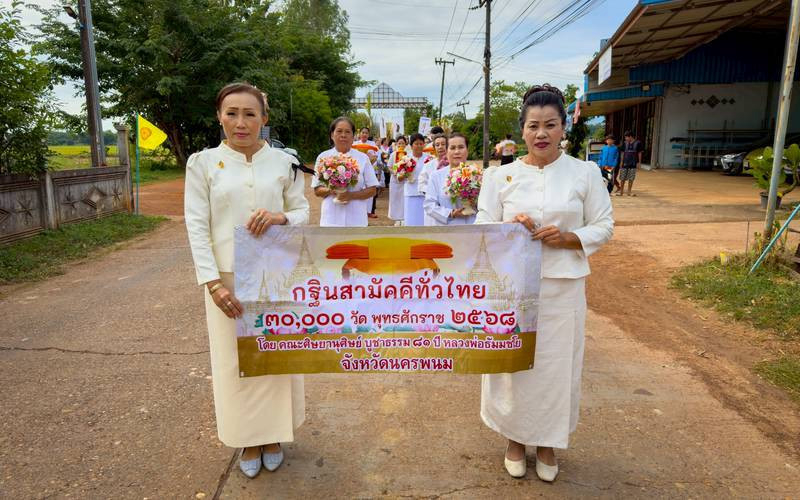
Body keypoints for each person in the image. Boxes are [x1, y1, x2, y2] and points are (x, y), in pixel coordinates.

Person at [475, 84, 613, 483]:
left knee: (555, 365)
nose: (541, 134)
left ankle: (548, 443)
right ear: (521, 130)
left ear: (563, 127)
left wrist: (568, 237)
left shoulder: (584, 173)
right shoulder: (499, 177)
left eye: (550, 125)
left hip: (562, 287)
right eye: (533, 125)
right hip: (512, 289)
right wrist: (508, 227)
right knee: (514, 365)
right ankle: (515, 439)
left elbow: (604, 226)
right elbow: (481, 226)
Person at [184, 82, 310, 479]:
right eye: (232, 113)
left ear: (264, 119)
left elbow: (304, 210)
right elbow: (197, 225)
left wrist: (281, 217)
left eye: (250, 114)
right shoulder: (202, 163)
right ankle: (247, 437)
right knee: (234, 360)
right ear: (219, 117)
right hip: (228, 278)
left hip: (276, 274)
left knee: (274, 353)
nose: (241, 123)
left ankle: (273, 435)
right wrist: (212, 283)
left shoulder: (284, 162)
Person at [312, 117, 380, 227]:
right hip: (331, 218)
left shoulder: (363, 158)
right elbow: (317, 190)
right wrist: (332, 190)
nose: (343, 135)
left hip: (356, 219)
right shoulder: (323, 157)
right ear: (332, 135)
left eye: (347, 132)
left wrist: (350, 195)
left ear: (353, 137)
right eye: (339, 131)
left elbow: (372, 190)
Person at [424, 133, 476, 226]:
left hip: (472, 226)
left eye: (461, 147)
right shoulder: (436, 176)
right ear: (447, 152)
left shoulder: (477, 175)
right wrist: (450, 213)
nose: (457, 152)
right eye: (452, 148)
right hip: (446, 229)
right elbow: (429, 205)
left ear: (467, 151)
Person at [403, 132, 437, 226]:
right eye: (416, 144)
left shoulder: (430, 159)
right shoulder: (405, 159)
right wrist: (405, 175)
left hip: (426, 194)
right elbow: (399, 178)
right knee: (411, 221)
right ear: (411, 145)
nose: (419, 146)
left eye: (421, 143)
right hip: (410, 193)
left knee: (425, 221)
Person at [353, 127, 380, 218]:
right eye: (363, 132)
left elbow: (376, 157)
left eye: (366, 133)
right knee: (359, 189)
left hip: (370, 170)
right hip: (357, 171)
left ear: (368, 134)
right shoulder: (355, 144)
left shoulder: (372, 144)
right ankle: (359, 211)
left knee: (371, 190)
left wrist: (368, 161)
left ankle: (370, 211)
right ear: (360, 134)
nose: (364, 134)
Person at [388, 136, 408, 224]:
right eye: (399, 143)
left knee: (404, 199)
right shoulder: (393, 154)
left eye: (402, 143)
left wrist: (406, 172)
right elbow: (389, 166)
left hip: (404, 180)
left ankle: (404, 218)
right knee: (395, 199)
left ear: (405, 144)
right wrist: (394, 172)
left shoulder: (408, 154)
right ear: (396, 144)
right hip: (395, 181)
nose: (401, 145)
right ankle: (396, 218)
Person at [618, 131, 642, 196]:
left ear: (630, 136)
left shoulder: (638, 143)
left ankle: (629, 191)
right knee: (622, 177)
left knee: (631, 178)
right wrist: (621, 162)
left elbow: (639, 153)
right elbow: (622, 153)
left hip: (633, 163)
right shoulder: (624, 143)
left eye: (626, 137)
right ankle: (621, 192)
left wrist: (639, 163)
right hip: (625, 163)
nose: (625, 138)